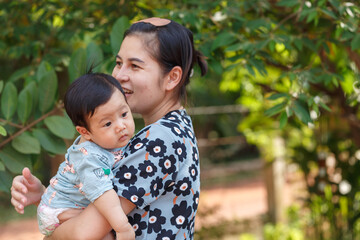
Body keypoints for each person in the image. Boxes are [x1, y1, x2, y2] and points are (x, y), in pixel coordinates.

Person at [10, 17, 207, 239]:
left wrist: (50, 227)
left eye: (135, 65)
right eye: (119, 62)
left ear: (172, 78)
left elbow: (83, 234)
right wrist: (47, 198)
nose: (120, 75)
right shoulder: (173, 128)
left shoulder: (160, 140)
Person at [37, 72, 135, 239]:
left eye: (124, 114)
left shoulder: (107, 142)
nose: (120, 126)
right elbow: (103, 194)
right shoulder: (89, 157)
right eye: (108, 123)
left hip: (67, 205)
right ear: (85, 132)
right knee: (103, 233)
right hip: (59, 211)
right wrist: (123, 227)